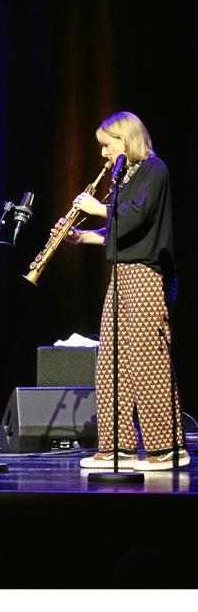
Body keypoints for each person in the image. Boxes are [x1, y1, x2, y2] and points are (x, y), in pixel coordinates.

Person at [58, 112, 185, 471]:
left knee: (148, 360)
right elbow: (120, 232)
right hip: (122, 275)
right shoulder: (124, 177)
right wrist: (82, 236)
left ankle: (167, 448)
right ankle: (118, 447)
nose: (103, 153)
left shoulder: (154, 170)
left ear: (125, 139)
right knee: (111, 361)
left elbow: (134, 218)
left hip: (147, 275)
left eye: (107, 144)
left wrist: (98, 209)